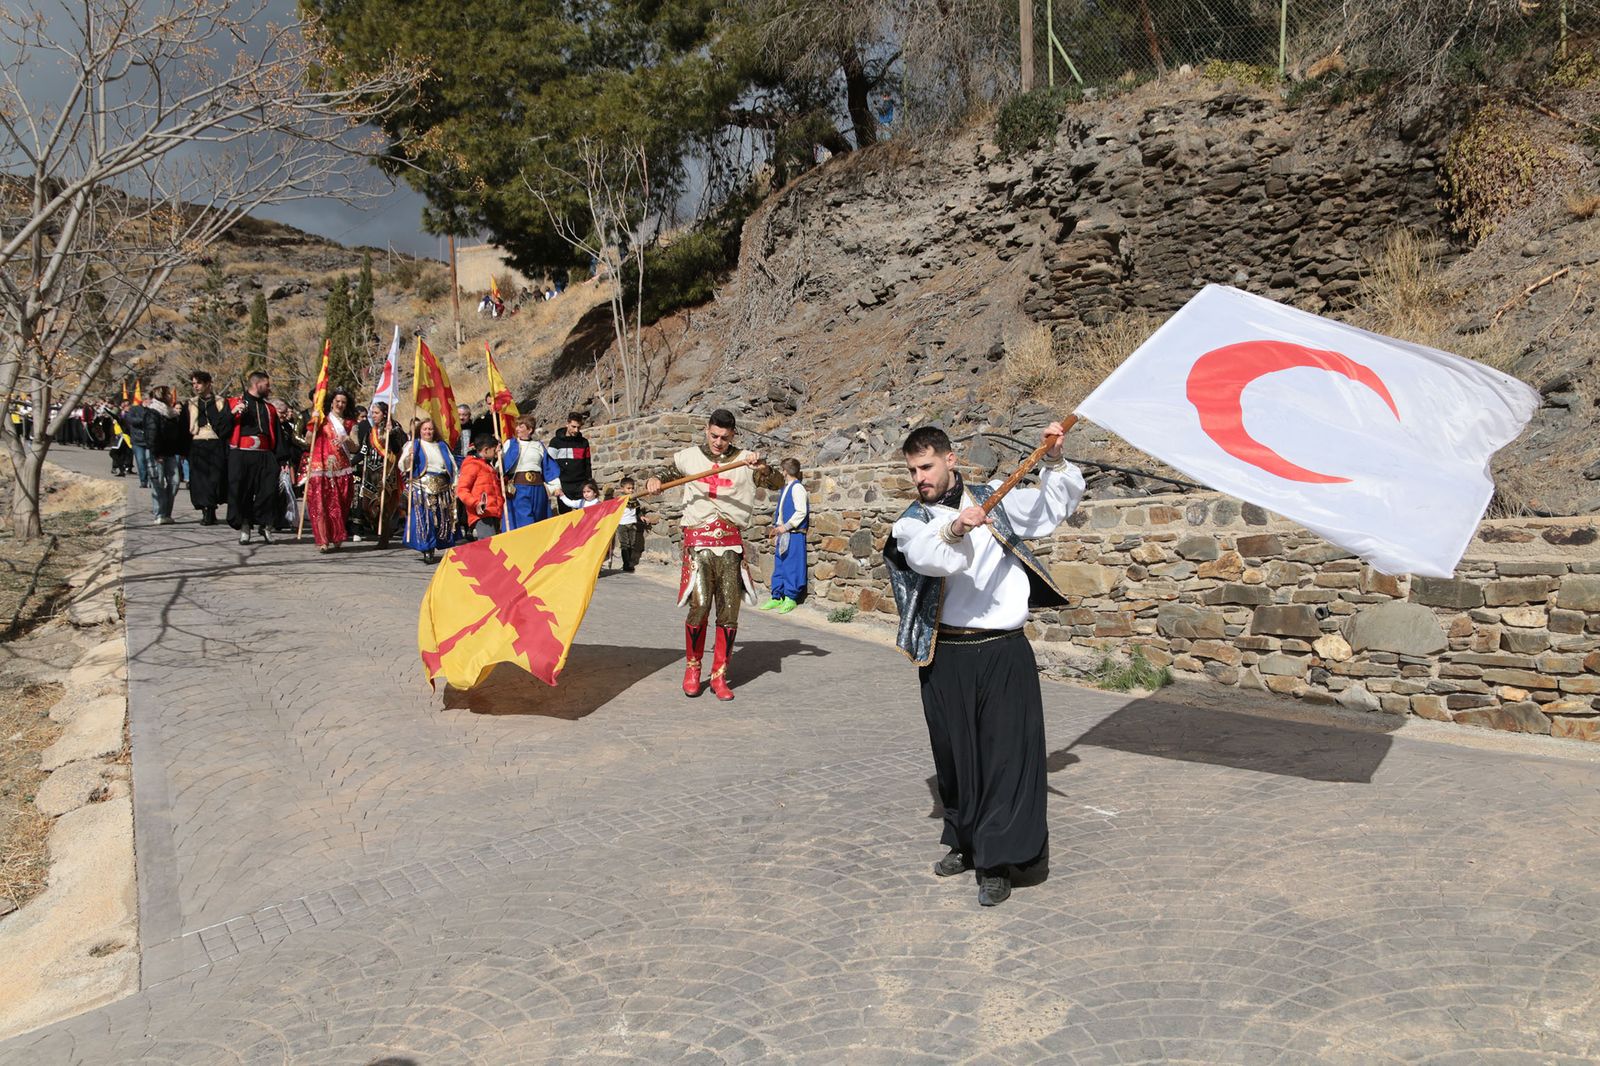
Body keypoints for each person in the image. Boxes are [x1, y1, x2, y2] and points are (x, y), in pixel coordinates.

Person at [885, 423, 1085, 908]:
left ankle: (996, 861)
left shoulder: (997, 495)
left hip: (1002, 650)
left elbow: (1049, 511)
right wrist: (956, 526)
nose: (920, 478)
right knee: (955, 757)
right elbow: (927, 558)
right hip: (945, 654)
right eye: (913, 470)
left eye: (927, 466)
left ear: (951, 459)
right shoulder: (911, 521)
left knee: (1003, 756)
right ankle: (965, 840)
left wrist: (1055, 460)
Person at [645, 409, 783, 701]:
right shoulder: (689, 458)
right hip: (699, 542)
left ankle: (720, 675)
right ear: (707, 430)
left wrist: (763, 468)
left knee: (729, 611)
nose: (719, 442)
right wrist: (653, 481)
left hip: (730, 543)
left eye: (725, 437)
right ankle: (693, 669)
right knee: (700, 605)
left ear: (733, 434)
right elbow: (665, 474)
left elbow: (777, 483)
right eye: (714, 435)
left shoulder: (746, 459)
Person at [225, 371, 291, 545]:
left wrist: (282, 459)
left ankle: (266, 525)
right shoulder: (235, 403)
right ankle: (245, 527)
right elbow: (221, 428)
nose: (269, 388)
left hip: (265, 454)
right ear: (257, 384)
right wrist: (233, 413)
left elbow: (277, 434)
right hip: (242, 454)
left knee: (269, 492)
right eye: (266, 384)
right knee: (243, 492)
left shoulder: (269, 408)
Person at [398, 417, 459, 564]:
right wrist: (409, 456)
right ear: (420, 430)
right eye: (425, 429)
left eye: (430, 429)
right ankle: (427, 548)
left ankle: (439, 544)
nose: (428, 432)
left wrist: (455, 484)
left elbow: (453, 466)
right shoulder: (414, 445)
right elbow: (402, 466)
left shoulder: (442, 446)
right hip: (422, 487)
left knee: (441, 518)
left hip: (442, 488)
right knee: (426, 519)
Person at [305, 387, 358, 553]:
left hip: (342, 469)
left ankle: (337, 536)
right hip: (321, 469)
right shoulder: (322, 420)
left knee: (340, 505)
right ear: (331, 402)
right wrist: (313, 423)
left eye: (343, 402)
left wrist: (347, 439)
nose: (340, 405)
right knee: (321, 505)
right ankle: (323, 540)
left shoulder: (350, 423)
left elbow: (355, 447)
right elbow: (308, 440)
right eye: (337, 401)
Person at [351, 401, 407, 547]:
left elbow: (398, 449)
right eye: (372, 413)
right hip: (370, 473)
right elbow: (363, 451)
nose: (373, 415)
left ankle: (384, 538)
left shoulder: (395, 428)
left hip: (387, 472)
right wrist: (349, 464)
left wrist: (392, 434)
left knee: (384, 507)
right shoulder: (371, 431)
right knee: (366, 507)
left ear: (384, 414)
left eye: (376, 413)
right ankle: (381, 530)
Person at [761, 458, 810, 614]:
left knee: (792, 565)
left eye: (782, 470)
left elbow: (801, 511)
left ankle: (791, 597)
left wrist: (787, 526)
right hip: (784, 533)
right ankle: (777, 596)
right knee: (780, 565)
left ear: (785, 471)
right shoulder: (787, 487)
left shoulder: (797, 488)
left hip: (793, 533)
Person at [499, 415, 561, 530]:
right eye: (516, 426)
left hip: (538, 488)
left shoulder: (538, 445)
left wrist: (555, 486)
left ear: (530, 429)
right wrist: (499, 454)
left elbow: (548, 467)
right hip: (519, 488)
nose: (517, 429)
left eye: (521, 426)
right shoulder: (510, 444)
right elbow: (501, 466)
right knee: (525, 521)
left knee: (539, 519)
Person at [185, 371, 230, 525]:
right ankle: (206, 509)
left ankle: (211, 508)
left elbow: (226, 424)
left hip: (216, 444)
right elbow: (184, 428)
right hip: (198, 444)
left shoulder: (221, 402)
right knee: (200, 480)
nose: (195, 386)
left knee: (215, 479)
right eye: (193, 384)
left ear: (208, 383)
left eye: (198, 383)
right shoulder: (191, 403)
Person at [144, 386, 186, 524]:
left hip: (171, 453)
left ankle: (167, 513)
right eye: (168, 394)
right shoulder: (153, 413)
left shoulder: (172, 414)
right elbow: (151, 433)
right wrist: (156, 452)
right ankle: (159, 514)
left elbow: (178, 435)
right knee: (158, 482)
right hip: (157, 454)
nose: (171, 396)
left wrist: (182, 451)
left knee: (175, 481)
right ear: (162, 396)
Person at [456, 434, 505, 540]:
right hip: (483, 513)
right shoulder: (472, 465)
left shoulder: (488, 466)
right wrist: (476, 503)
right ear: (486, 450)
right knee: (488, 546)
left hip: (495, 512)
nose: (496, 453)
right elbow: (462, 490)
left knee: (495, 545)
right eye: (494, 450)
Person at [548, 412, 592, 514]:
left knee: (584, 515)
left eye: (578, 427)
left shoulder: (584, 442)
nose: (576, 430)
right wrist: (554, 486)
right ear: (567, 424)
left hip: (581, 484)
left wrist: (589, 483)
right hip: (563, 485)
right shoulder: (555, 442)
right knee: (565, 515)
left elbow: (587, 464)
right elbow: (550, 465)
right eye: (573, 426)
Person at [614, 476, 652, 573]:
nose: (631, 490)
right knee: (625, 544)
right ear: (622, 489)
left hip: (632, 524)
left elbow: (637, 510)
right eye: (628, 488)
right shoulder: (620, 500)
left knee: (632, 543)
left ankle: (629, 562)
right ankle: (626, 564)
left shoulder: (634, 499)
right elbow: (614, 511)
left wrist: (642, 516)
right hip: (622, 525)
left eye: (632, 488)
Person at [121, 391, 155, 488]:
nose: (151, 402)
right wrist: (144, 420)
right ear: (145, 400)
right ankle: (143, 480)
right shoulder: (134, 409)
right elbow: (131, 420)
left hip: (149, 440)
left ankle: (151, 480)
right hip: (137, 440)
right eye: (150, 400)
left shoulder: (152, 411)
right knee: (141, 461)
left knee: (150, 461)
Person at [109, 400, 135, 477]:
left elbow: (124, 424)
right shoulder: (121, 415)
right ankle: (121, 470)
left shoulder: (127, 416)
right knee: (119, 454)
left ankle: (123, 469)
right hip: (118, 436)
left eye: (127, 406)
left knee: (113, 453)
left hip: (123, 437)